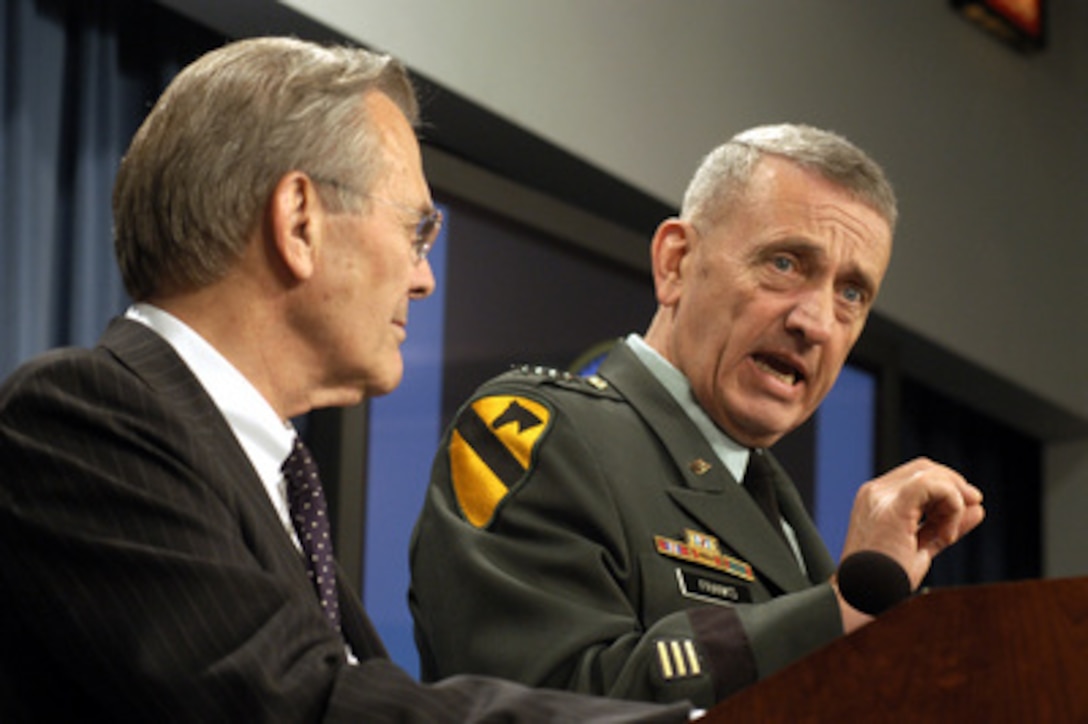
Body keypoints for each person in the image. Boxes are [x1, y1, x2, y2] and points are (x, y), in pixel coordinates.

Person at [0, 37, 694, 723]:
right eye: (416, 232)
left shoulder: (273, 480)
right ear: (300, 221)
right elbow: (299, 704)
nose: (423, 278)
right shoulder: (77, 419)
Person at [409, 123, 986, 709]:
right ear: (677, 263)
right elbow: (551, 703)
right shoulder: (536, 433)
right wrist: (839, 608)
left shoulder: (783, 521)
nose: (815, 322)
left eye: (852, 294)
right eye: (785, 263)